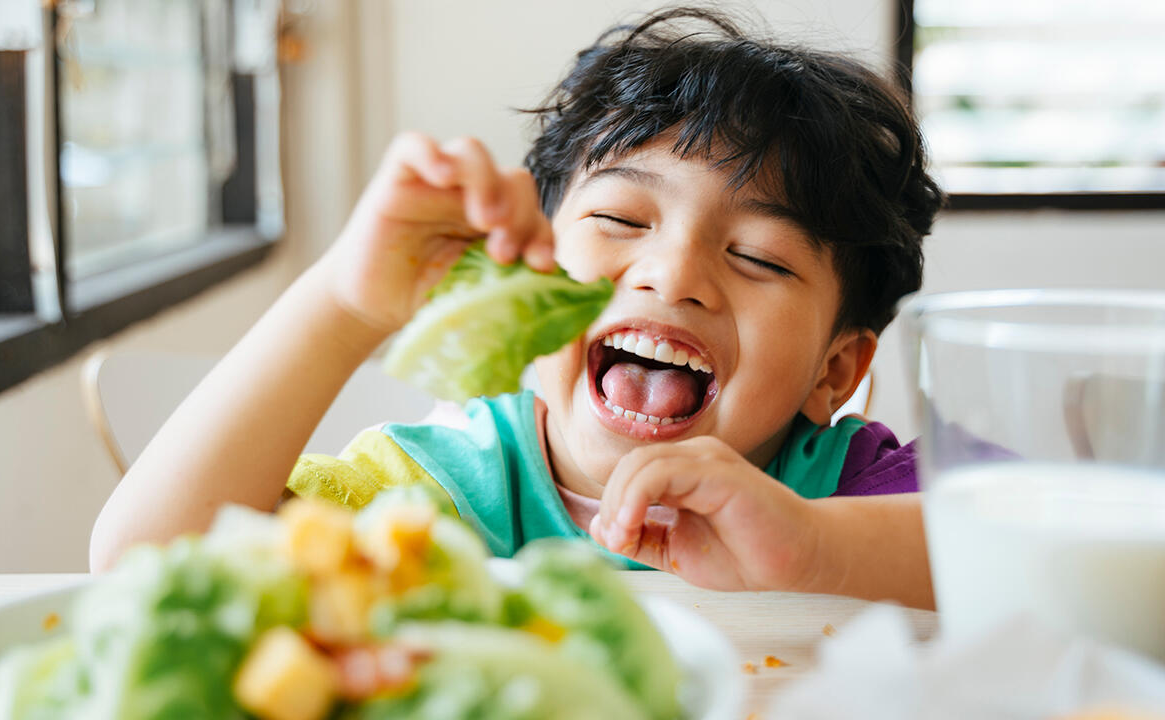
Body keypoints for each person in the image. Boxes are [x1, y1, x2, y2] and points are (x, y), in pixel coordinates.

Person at [90, 7, 944, 609]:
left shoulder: (847, 494)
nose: (670, 274)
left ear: (835, 370)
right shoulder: (438, 496)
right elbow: (143, 568)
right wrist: (342, 307)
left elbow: (1037, 558)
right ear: (531, 261)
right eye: (619, 218)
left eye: (758, 256)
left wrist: (813, 547)